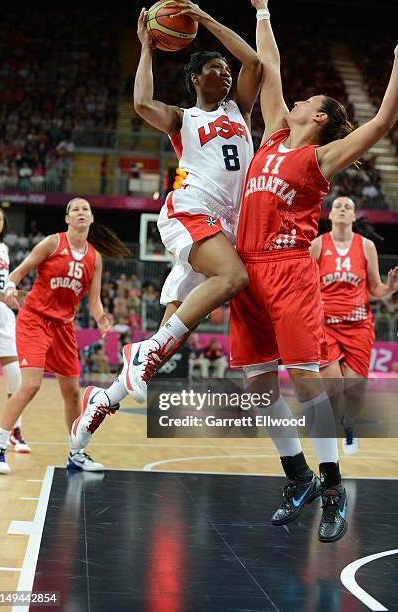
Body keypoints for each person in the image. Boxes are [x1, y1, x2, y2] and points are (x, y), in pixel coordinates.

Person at [228, 0, 398, 543]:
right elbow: (271, 66)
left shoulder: (319, 160)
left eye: (307, 101)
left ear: (319, 117)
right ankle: (297, 476)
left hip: (288, 273)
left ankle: (331, 488)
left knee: (306, 385)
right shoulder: (274, 137)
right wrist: (263, 12)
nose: (294, 100)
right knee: (256, 389)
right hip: (246, 273)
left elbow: (382, 121)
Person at [71, 0, 261, 444]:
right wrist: (146, 48)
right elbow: (139, 102)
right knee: (234, 276)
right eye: (216, 68)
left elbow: (252, 60)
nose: (227, 74)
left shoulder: (240, 111)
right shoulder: (184, 118)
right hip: (191, 210)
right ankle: (146, 350)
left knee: (174, 329)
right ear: (195, 78)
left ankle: (103, 400)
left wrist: (207, 20)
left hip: (226, 226)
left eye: (225, 70)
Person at [0, 198, 130, 475]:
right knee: (30, 384)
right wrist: (9, 286)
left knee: (72, 392)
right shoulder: (52, 243)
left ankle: (76, 453)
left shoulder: (94, 258)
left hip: (64, 327)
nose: (81, 212)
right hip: (35, 320)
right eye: (75, 209)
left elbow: (94, 300)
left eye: (85, 209)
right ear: (67, 218)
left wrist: (101, 317)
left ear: (91, 219)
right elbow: (20, 271)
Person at [311, 196, 398, 454]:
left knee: (355, 391)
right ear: (330, 215)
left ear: (353, 217)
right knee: (332, 384)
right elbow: (303, 285)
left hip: (359, 326)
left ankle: (349, 424)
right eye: (337, 205)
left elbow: (375, 289)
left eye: (347, 207)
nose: (342, 209)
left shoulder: (366, 246)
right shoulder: (317, 245)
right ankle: (327, 435)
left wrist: (391, 287)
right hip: (325, 325)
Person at [0, 206, 30, 453]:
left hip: (3, 314)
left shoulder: (4, 250)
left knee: (16, 374)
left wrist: (12, 295)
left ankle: (15, 431)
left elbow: (3, 284)